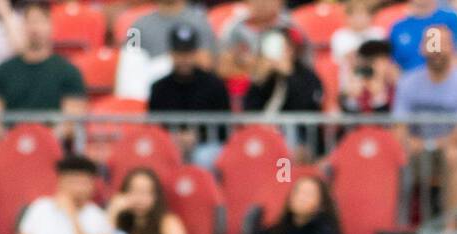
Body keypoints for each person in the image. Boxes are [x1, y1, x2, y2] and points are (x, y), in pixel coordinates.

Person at [392, 24, 457, 229]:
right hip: (419, 149)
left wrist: (427, 143)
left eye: (442, 45)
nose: (437, 50)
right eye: (432, 44)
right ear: (423, 48)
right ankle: (398, 229)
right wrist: (411, 143)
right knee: (395, 157)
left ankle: (451, 232)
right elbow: (399, 128)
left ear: (453, 48)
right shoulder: (408, 82)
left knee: (453, 155)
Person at [0, 154, 113, 234]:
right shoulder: (40, 207)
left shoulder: (97, 216)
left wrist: (72, 215)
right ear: (60, 182)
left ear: (92, 185)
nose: (77, 189)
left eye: (83, 183)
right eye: (72, 182)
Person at [148, 24, 232, 168]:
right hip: (170, 145)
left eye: (188, 53)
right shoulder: (159, 87)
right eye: (179, 53)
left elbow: (225, 127)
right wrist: (173, 138)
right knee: (155, 155)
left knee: (203, 158)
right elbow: (152, 127)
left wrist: (197, 136)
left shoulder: (214, 84)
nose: (184, 59)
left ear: (195, 53)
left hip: (206, 146)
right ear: (171, 53)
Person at [0, 1, 86, 112]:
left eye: (40, 21)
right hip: (13, 129)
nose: (34, 28)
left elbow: (72, 119)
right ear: (21, 27)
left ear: (52, 27)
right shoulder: (2, 72)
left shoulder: (68, 72)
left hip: (51, 129)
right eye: (29, 22)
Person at [223, 175, 341, 234]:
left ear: (321, 204)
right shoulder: (274, 231)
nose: (300, 197)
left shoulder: (324, 231)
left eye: (308, 194)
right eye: (297, 192)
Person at [241, 28, 325, 158]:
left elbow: (307, 106)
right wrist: (260, 81)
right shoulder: (264, 77)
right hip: (265, 134)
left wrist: (288, 75)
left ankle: (284, 178)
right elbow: (250, 108)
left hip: (299, 137)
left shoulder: (306, 75)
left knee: (288, 139)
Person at [107, 168, 194, 234]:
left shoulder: (167, 222)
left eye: (145, 192)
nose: (139, 198)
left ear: (155, 196)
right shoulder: (120, 221)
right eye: (134, 191)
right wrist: (112, 215)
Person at [389, 0, 457, 73]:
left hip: (444, 81)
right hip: (411, 82)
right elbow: (394, 66)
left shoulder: (450, 18)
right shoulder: (398, 27)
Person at [127, 0, 218, 60]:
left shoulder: (200, 23)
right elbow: (129, 60)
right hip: (148, 83)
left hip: (188, 84)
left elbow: (206, 63)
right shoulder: (137, 27)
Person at [339, 38, 397, 116]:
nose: (385, 66)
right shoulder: (358, 84)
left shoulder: (394, 87)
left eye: (385, 61)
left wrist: (378, 96)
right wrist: (352, 99)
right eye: (374, 62)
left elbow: (388, 124)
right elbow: (349, 125)